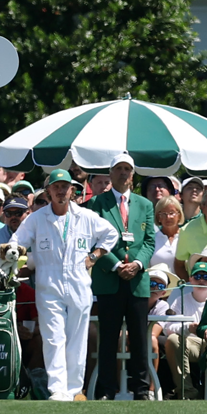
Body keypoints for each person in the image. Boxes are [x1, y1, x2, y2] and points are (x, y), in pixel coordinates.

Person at [8, 169, 114, 401]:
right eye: (55, 187)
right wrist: (11, 253)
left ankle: (75, 389)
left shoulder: (85, 216)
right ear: (48, 191)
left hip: (78, 283)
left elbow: (111, 234)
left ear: (73, 190)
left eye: (64, 187)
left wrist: (93, 257)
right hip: (49, 284)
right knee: (53, 337)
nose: (60, 191)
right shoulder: (37, 219)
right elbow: (18, 242)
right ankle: (57, 388)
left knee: (77, 337)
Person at [85, 156, 160, 400]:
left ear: (133, 174)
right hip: (109, 279)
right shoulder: (97, 203)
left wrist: (137, 264)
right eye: (119, 169)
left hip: (137, 281)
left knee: (139, 338)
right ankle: (107, 389)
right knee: (108, 339)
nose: (123, 173)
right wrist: (117, 265)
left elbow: (149, 241)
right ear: (110, 172)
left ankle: (141, 389)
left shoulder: (144, 205)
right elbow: (93, 241)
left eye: (127, 169)